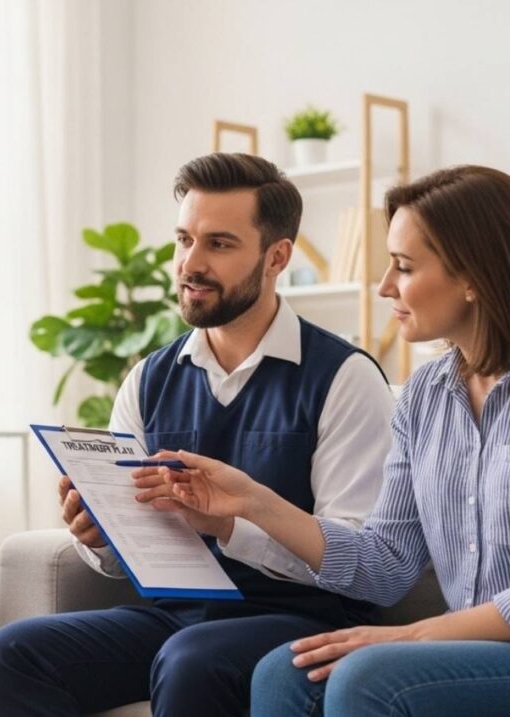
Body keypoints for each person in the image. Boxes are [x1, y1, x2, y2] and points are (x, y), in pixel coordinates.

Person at [0, 153, 396, 717]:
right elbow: (136, 540)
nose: (189, 264)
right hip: (177, 614)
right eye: (183, 240)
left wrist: (231, 526)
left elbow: (355, 559)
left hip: (304, 617)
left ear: (277, 257)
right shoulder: (148, 378)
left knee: (190, 658)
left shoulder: (344, 377)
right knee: (8, 655)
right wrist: (100, 536)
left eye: (219, 244)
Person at [159, 165, 510, 716]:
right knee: (286, 669)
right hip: (470, 650)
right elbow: (386, 565)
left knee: (366, 679)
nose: (384, 286)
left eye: (404, 266)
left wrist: (416, 636)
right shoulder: (424, 397)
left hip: (477, 645)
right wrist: (254, 502)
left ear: (474, 276)